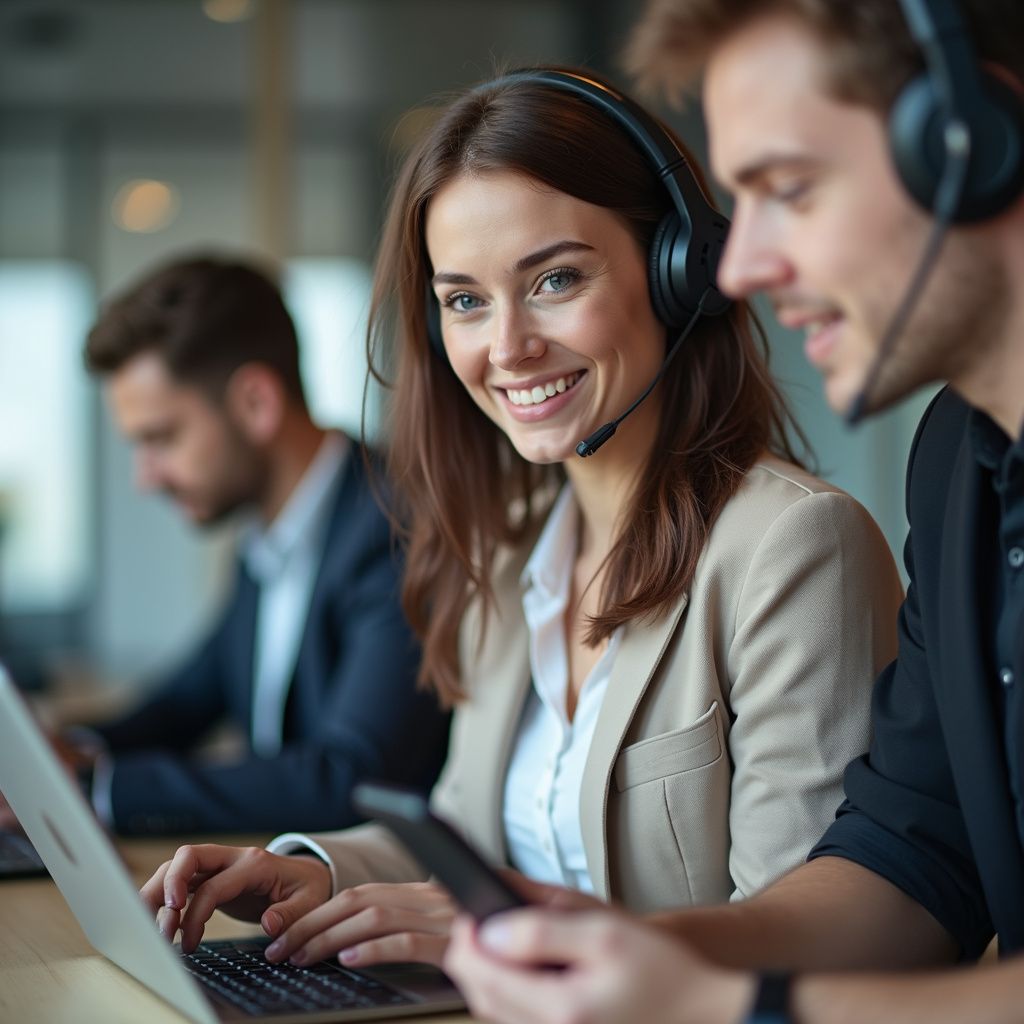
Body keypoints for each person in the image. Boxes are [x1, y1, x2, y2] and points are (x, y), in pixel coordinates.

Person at [137, 68, 902, 974]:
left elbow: (803, 943)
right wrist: (313, 868)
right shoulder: (508, 543)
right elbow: (466, 839)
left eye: (556, 279)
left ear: (678, 275)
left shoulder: (794, 547)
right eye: (465, 300)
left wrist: (511, 940)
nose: (507, 347)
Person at [440, 3, 1024, 1023]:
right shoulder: (958, 465)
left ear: (969, 142)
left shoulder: (796, 534)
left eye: (788, 189)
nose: (737, 268)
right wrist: (618, 946)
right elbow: (912, 856)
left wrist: (729, 1004)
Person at [0, 254, 450, 836]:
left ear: (256, 403)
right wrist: (57, 758)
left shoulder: (395, 527)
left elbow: (352, 778)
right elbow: (188, 701)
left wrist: (94, 790)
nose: (145, 477)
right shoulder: (268, 537)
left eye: (161, 438)